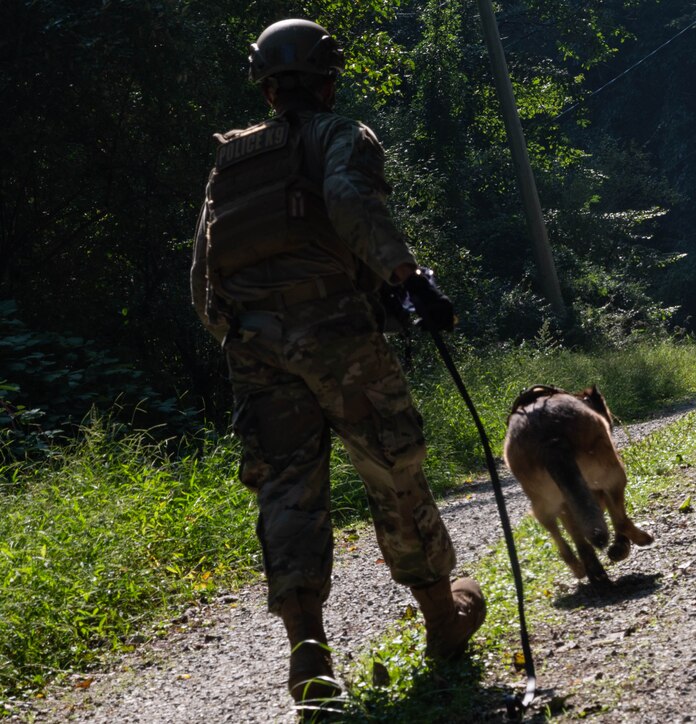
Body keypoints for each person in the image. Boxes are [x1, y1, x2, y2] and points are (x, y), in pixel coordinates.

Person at [190, 18, 485, 715]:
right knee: (392, 465)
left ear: (265, 88)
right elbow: (350, 203)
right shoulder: (337, 135)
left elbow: (202, 278)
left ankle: (310, 657)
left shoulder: (225, 165)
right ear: (328, 79)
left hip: (252, 347)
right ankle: (443, 620)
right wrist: (406, 278)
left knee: (286, 492)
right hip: (337, 333)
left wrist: (248, 338)